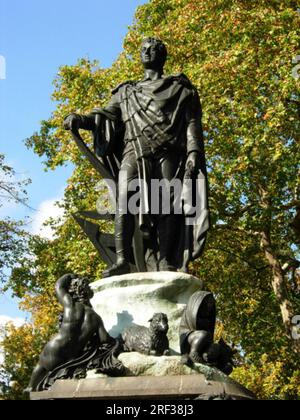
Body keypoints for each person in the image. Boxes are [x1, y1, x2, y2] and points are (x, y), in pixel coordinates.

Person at [64, 38, 209, 276]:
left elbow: (192, 124)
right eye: (143, 49)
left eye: (153, 49)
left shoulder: (180, 89)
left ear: (163, 55)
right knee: (124, 200)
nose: (147, 51)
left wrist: (193, 153)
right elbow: (106, 117)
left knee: (167, 206)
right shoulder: (126, 92)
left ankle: (164, 261)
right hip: (134, 149)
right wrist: (81, 120)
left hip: (167, 151)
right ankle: (122, 261)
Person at [26, 274, 112, 392]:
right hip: (72, 358)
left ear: (74, 292)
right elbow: (104, 339)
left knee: (41, 367)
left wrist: (70, 276)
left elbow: (58, 286)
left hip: (55, 349)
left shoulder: (71, 305)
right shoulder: (96, 318)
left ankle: (30, 386)